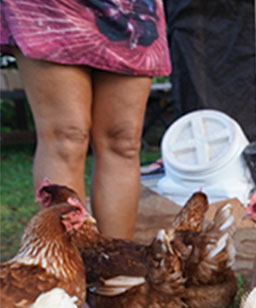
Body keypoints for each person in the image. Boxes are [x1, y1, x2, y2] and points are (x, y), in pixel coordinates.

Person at [1, 1, 171, 240]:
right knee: (66, 137)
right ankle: (68, 268)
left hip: (131, 9)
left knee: (122, 141)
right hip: (50, 8)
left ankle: (116, 264)